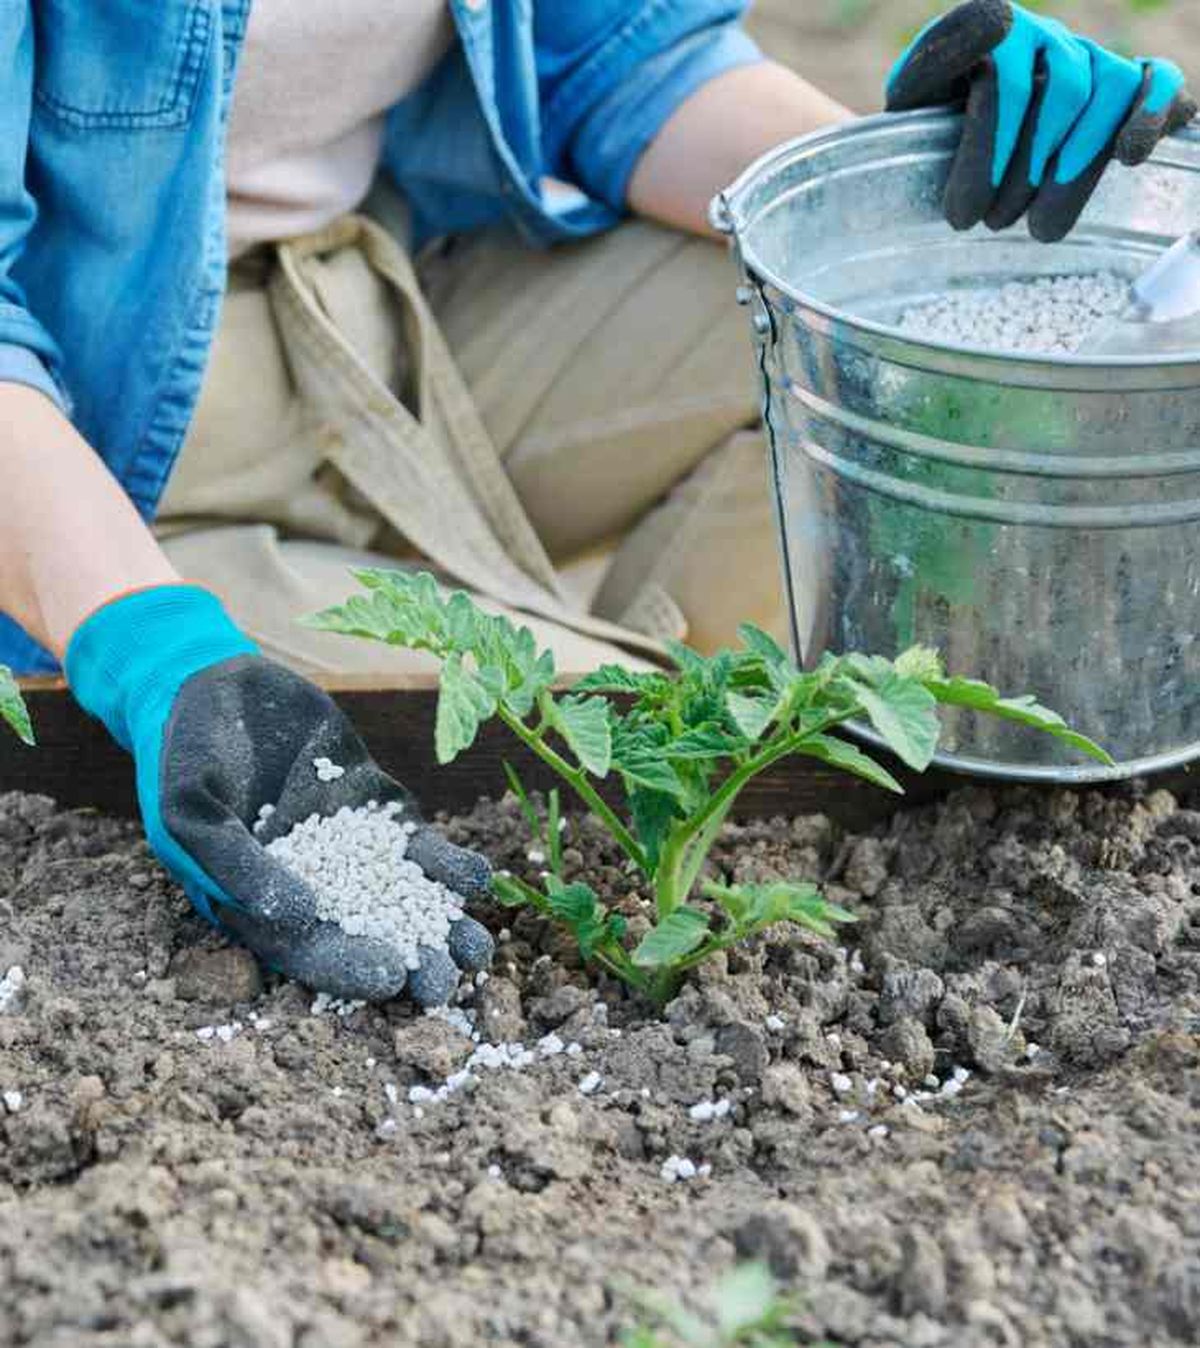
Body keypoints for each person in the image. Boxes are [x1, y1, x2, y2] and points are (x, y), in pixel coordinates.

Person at [0, 2, 1192, 1001]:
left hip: (390, 302)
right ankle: (611, 689)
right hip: (95, 447)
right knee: (571, 769)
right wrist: (152, 647)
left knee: (861, 357)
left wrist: (909, 187)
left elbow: (624, 62)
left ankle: (656, 679)